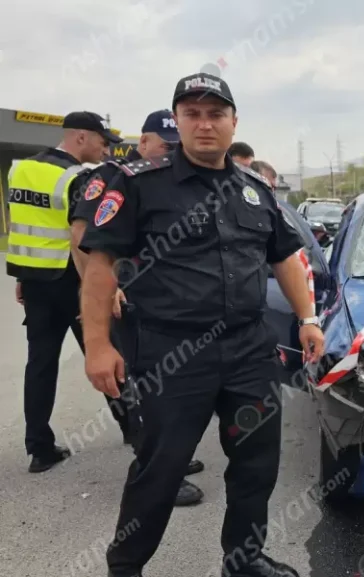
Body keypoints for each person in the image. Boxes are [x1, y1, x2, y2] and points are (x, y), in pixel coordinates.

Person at [79, 72, 324, 577]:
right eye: (193, 114)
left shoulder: (255, 189)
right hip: (172, 354)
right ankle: (125, 567)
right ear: (178, 122)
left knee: (256, 463)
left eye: (216, 114)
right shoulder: (138, 184)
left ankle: (244, 559)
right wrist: (98, 345)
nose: (205, 124)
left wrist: (307, 318)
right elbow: (100, 265)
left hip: (249, 351)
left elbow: (284, 257)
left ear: (234, 122)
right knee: (160, 469)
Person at [68, 109, 206, 507]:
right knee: (140, 388)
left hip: (155, 304)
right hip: (123, 301)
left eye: (177, 147)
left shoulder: (164, 179)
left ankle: (168, 457)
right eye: (166, 146)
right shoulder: (112, 178)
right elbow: (80, 236)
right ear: (143, 142)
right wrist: (106, 292)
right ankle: (158, 475)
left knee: (163, 385)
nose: (172, 153)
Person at [6, 110, 127, 473]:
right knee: (108, 356)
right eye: (102, 142)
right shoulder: (78, 177)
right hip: (73, 282)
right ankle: (139, 435)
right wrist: (102, 289)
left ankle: (39, 449)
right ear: (81, 137)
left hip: (36, 283)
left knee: (40, 365)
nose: (106, 150)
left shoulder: (20, 169)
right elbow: (79, 239)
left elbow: (24, 226)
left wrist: (23, 277)